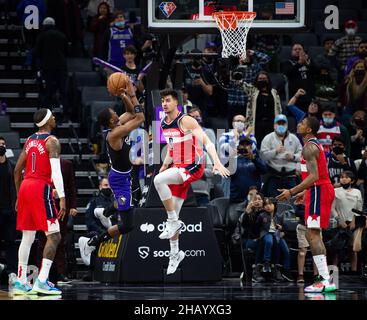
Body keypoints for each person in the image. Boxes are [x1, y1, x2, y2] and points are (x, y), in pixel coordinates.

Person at [153, 89, 230, 275]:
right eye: (162, 100)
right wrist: (164, 164)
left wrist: (217, 161)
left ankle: (172, 222)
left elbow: (207, 142)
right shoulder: (163, 123)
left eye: (168, 100)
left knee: (158, 181)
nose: (164, 103)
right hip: (179, 167)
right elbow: (172, 149)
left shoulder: (186, 120)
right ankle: (175, 254)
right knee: (174, 213)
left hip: (193, 166)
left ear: (176, 103)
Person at [78, 78, 145, 266]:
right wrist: (132, 93)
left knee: (129, 212)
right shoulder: (114, 134)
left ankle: (105, 213)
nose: (118, 113)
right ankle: (91, 243)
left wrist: (124, 96)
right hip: (120, 180)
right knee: (127, 225)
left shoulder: (116, 125)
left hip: (123, 175)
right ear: (111, 120)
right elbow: (140, 118)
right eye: (115, 113)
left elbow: (131, 112)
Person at [277, 116, 337, 293]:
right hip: (316, 191)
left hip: (319, 190)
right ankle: (325, 279)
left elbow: (314, 177)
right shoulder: (311, 146)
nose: (299, 124)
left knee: (313, 235)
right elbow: (316, 177)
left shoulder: (309, 147)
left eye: (303, 123)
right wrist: (304, 192)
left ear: (309, 129)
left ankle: (325, 280)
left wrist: (291, 191)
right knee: (314, 235)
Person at [13, 108, 65, 295]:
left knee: (27, 237)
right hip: (40, 188)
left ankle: (20, 281)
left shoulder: (29, 140)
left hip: (26, 186)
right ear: (46, 121)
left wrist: (19, 195)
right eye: (52, 116)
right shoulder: (52, 141)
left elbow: (17, 171)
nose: (55, 118)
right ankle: (42, 280)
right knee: (54, 235)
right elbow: (57, 173)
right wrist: (63, 197)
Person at [37, 158, 77, 284]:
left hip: (61, 208)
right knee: (43, 240)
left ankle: (61, 273)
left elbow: (71, 186)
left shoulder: (66, 164)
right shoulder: (40, 162)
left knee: (61, 239)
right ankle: (42, 274)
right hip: (43, 205)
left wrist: (73, 206)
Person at [33, 17, 69, 118]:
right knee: (62, 90)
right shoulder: (61, 35)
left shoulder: (42, 36)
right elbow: (67, 51)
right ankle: (65, 112)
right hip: (61, 67)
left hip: (47, 67)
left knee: (48, 91)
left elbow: (37, 52)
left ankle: (47, 113)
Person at [260, 114, 302, 197]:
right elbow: (263, 156)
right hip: (274, 176)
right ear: (274, 125)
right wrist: (275, 151)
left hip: (291, 176)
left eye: (283, 124)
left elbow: (302, 155)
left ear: (287, 125)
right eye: (279, 123)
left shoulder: (294, 138)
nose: (281, 125)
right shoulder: (268, 138)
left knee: (292, 202)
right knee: (273, 202)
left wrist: (293, 157)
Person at [332, 171, 363, 272]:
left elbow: (359, 209)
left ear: (352, 180)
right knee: (336, 248)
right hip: (339, 223)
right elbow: (332, 208)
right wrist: (339, 220)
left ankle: (354, 271)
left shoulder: (357, 192)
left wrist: (354, 220)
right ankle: (334, 271)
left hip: (353, 223)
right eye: (341, 177)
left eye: (346, 177)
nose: (343, 179)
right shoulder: (336, 191)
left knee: (352, 248)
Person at [256, 197, 293, 282]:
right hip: (266, 233)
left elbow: (284, 228)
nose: (268, 206)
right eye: (266, 205)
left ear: (275, 205)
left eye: (270, 204)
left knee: (286, 250)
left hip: (277, 234)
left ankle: (286, 270)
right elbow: (257, 227)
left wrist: (281, 229)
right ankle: (266, 263)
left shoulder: (278, 216)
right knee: (269, 241)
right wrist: (259, 235)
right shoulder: (262, 215)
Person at [245, 71, 282, 145]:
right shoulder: (252, 90)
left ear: (268, 80)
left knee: (270, 144)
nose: (262, 80)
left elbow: (279, 108)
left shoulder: (274, 92)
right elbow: (241, 84)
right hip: (256, 123)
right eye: (260, 78)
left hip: (271, 123)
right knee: (257, 144)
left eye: (264, 78)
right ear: (256, 80)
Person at [0, 136, 17, 286]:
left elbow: (17, 188)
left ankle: (12, 272)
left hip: (10, 210)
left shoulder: (12, 166)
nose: (1, 146)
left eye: (3, 144)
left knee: (11, 242)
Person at [229, 137, 267, 203]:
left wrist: (254, 159)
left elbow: (264, 170)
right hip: (236, 199)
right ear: (239, 147)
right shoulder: (234, 159)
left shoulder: (257, 158)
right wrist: (232, 158)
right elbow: (227, 173)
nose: (244, 147)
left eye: (247, 144)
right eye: (242, 145)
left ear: (251, 147)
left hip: (254, 199)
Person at [281, 43, 317, 112]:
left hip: (309, 96)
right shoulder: (287, 63)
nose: (297, 51)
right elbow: (288, 72)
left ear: (304, 51)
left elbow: (317, 72)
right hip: (294, 96)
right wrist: (299, 63)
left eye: (300, 49)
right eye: (295, 49)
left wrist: (307, 63)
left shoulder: (310, 62)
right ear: (291, 52)